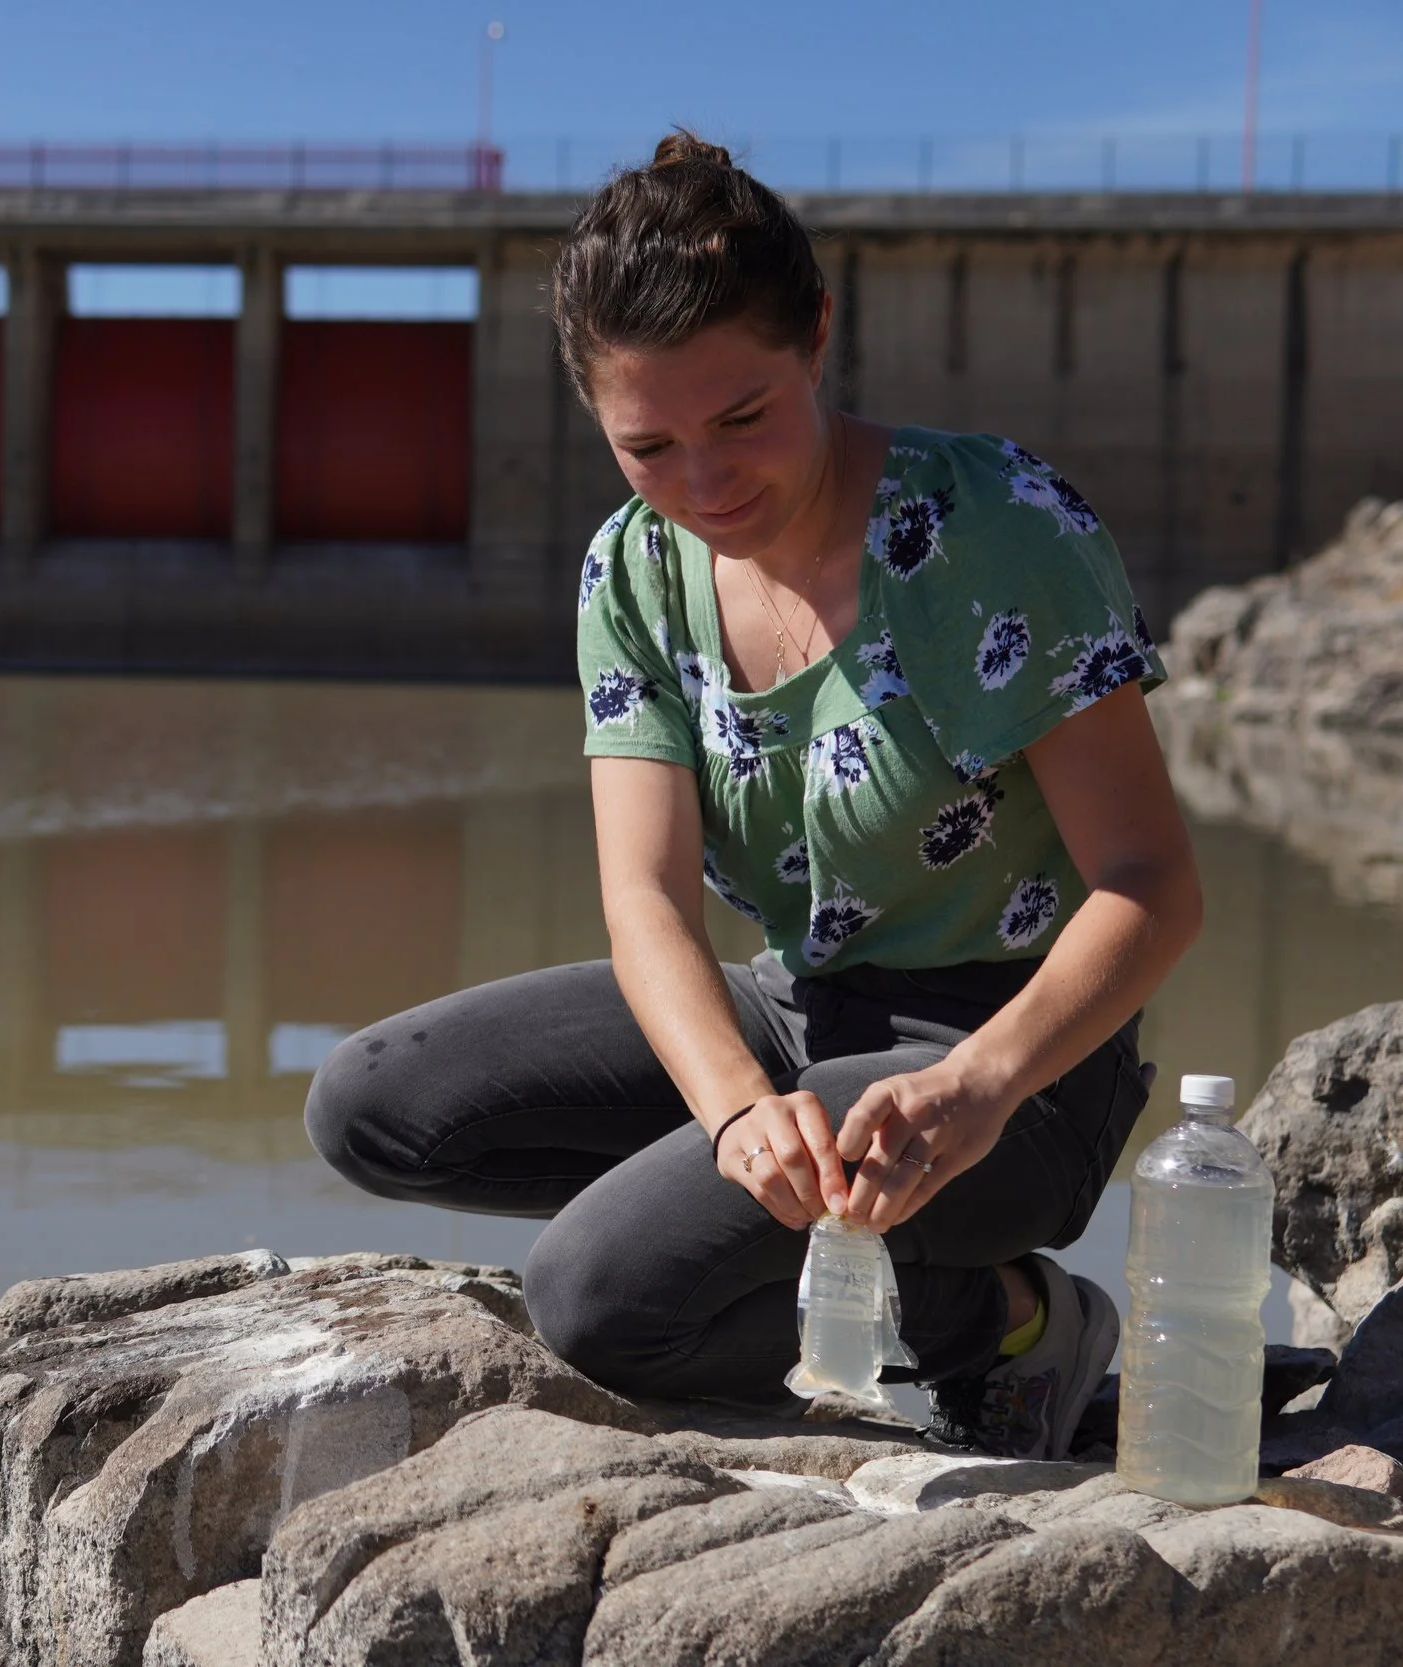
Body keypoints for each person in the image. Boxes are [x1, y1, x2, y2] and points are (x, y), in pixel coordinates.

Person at [304, 132, 1202, 1461]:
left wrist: (977, 1083)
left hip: (1014, 1062)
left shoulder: (993, 529)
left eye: (742, 420)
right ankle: (892, 1282)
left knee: (599, 1296)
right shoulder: (633, 571)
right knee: (375, 1106)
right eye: (648, 445)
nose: (706, 486)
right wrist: (731, 1110)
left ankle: (1005, 1320)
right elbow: (645, 897)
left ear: (818, 338)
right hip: (796, 1010)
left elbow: (1153, 885)